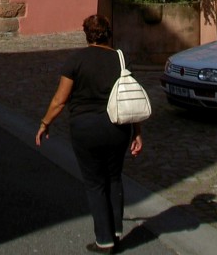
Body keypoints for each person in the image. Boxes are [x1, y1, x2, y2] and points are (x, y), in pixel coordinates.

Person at [36, 14, 143, 252]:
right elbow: (130, 98)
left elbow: (59, 100)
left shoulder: (75, 60)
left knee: (95, 183)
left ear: (87, 34)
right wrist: (137, 132)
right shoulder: (120, 59)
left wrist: (45, 123)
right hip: (118, 127)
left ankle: (104, 241)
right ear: (108, 33)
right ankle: (116, 231)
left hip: (86, 128)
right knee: (114, 178)